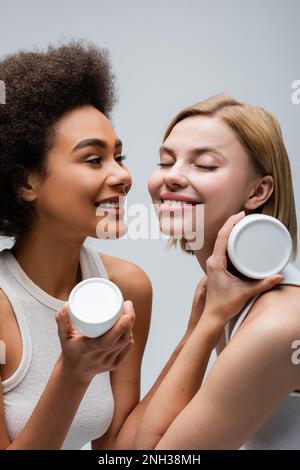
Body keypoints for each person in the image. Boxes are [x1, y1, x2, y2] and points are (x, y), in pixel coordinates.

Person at [132, 94, 300, 450]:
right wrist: (202, 325)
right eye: (165, 162)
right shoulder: (228, 299)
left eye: (204, 165)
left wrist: (207, 324)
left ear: (258, 191)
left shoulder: (278, 324)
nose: (172, 177)